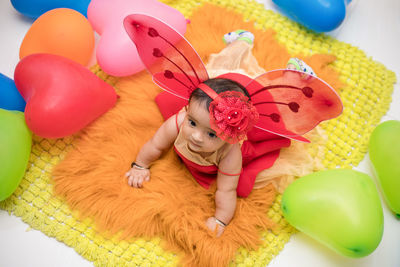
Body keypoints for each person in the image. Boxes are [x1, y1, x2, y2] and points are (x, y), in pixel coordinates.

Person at [123, 15, 342, 237]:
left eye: (211, 134)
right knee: (218, 71)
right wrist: (140, 165)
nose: (196, 137)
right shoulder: (179, 122)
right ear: (187, 111)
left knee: (273, 99)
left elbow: (226, 189)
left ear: (230, 136)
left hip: (250, 102)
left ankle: (294, 76)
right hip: (223, 85)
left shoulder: (230, 152)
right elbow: (155, 145)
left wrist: (221, 219)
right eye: (193, 123)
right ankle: (241, 42)